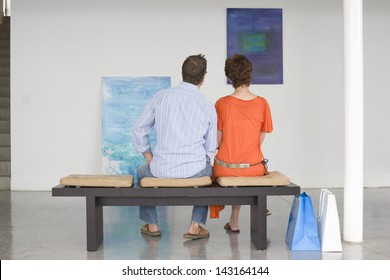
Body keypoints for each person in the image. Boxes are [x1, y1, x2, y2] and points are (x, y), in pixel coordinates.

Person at [132, 54, 218, 240]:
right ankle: (195, 226)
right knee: (209, 171)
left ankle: (152, 225)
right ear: (203, 78)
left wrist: (149, 158)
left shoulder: (161, 97)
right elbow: (211, 148)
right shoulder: (207, 106)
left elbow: (139, 129)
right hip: (195, 171)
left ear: (182, 73)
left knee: (140, 171)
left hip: (160, 170)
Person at [211, 54, 273, 232]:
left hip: (225, 167)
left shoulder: (222, 104)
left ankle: (234, 222)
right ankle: (251, 209)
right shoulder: (262, 103)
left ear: (230, 76)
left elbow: (218, 141)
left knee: (236, 173)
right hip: (253, 168)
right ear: (249, 75)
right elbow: (260, 139)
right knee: (247, 170)